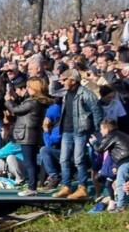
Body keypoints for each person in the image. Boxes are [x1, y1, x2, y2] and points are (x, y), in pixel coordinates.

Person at [54, 69, 103, 200]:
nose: (62, 82)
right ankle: (66, 186)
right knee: (64, 159)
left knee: (79, 160)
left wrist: (96, 129)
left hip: (80, 131)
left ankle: (82, 188)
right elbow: (52, 91)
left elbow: (97, 110)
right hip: (66, 130)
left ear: (73, 81)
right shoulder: (66, 93)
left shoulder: (86, 93)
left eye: (65, 79)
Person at [7, 76, 51, 196]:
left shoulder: (32, 102)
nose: (27, 89)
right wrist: (16, 98)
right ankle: (33, 185)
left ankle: (32, 188)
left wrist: (8, 101)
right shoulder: (38, 101)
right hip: (32, 133)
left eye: (29, 87)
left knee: (29, 162)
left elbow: (15, 110)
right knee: (31, 161)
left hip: (27, 134)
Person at [95, 119, 129, 212]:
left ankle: (121, 207)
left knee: (120, 184)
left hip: (125, 162)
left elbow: (99, 150)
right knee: (126, 184)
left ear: (107, 130)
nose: (100, 131)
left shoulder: (111, 135)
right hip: (124, 162)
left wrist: (94, 142)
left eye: (101, 129)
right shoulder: (122, 134)